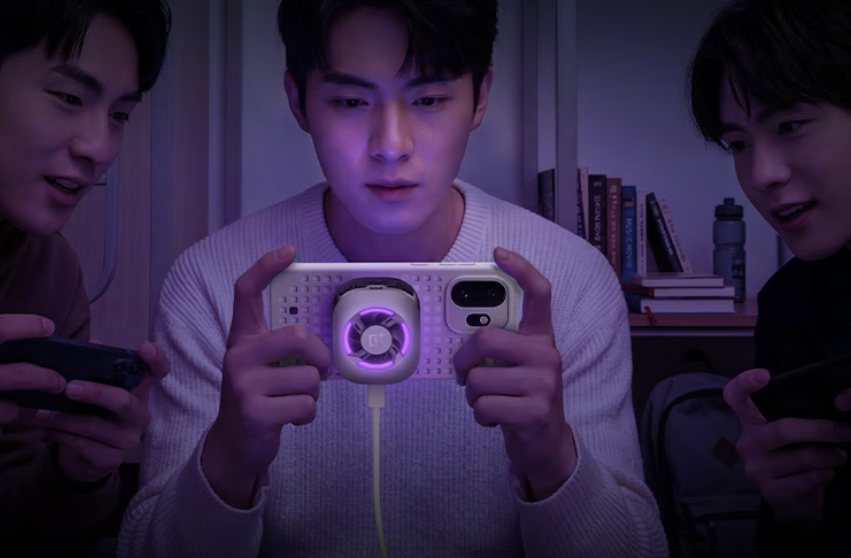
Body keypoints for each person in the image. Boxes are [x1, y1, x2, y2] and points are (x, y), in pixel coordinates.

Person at [119, 1, 667, 556]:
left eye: (428, 100)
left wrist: (553, 457)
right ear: (298, 101)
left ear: (480, 97)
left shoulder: (569, 280)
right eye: (350, 101)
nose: (391, 146)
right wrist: (228, 460)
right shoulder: (214, 282)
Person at [0, 1, 172, 556]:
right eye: (70, 98)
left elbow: (31, 529)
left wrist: (79, 474)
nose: (99, 148)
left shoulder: (52, 270)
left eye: (119, 114)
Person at [688, 0, 851, 555]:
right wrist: (796, 508)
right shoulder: (789, 304)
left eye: (790, 126)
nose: (761, 174)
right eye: (738, 144)